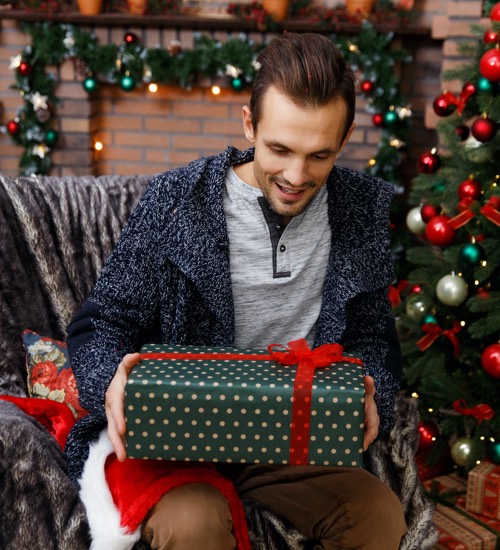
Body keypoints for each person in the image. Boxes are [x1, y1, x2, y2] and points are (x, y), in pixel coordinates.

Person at [65, 32, 407, 550]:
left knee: (378, 516)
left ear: (346, 137)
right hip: (174, 438)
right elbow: (102, 324)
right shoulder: (176, 202)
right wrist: (111, 380)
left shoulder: (359, 211)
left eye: (319, 155)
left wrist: (370, 392)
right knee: (194, 524)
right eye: (279, 149)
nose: (296, 175)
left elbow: (372, 340)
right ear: (249, 124)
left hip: (289, 437)